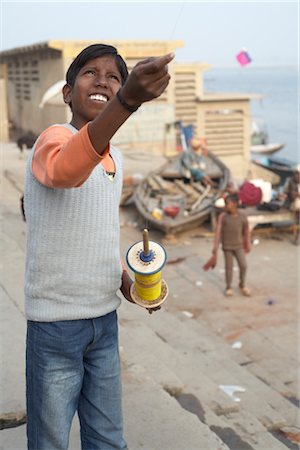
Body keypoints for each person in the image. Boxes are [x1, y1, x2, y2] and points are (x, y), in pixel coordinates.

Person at [23, 43, 174, 450]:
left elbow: (96, 237)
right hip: (56, 325)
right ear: (68, 92)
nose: (103, 80)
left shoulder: (116, 159)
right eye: (90, 72)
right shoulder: (53, 139)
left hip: (103, 322)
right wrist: (126, 100)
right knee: (50, 441)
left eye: (114, 77)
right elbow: (65, 170)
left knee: (108, 437)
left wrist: (130, 283)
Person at [203, 193, 251, 297]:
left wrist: (248, 244)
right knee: (229, 267)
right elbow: (218, 233)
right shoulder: (223, 217)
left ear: (234, 204)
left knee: (243, 265)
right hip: (227, 247)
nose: (225, 206)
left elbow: (246, 231)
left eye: (227, 204)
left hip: (239, 246)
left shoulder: (242, 216)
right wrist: (215, 248)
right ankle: (228, 287)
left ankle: (242, 284)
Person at [283, 164, 300, 244]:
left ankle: (298, 234)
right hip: (291, 203)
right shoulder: (289, 180)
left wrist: (297, 194)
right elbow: (284, 192)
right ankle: (297, 235)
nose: (297, 176)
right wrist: (289, 194)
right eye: (296, 173)